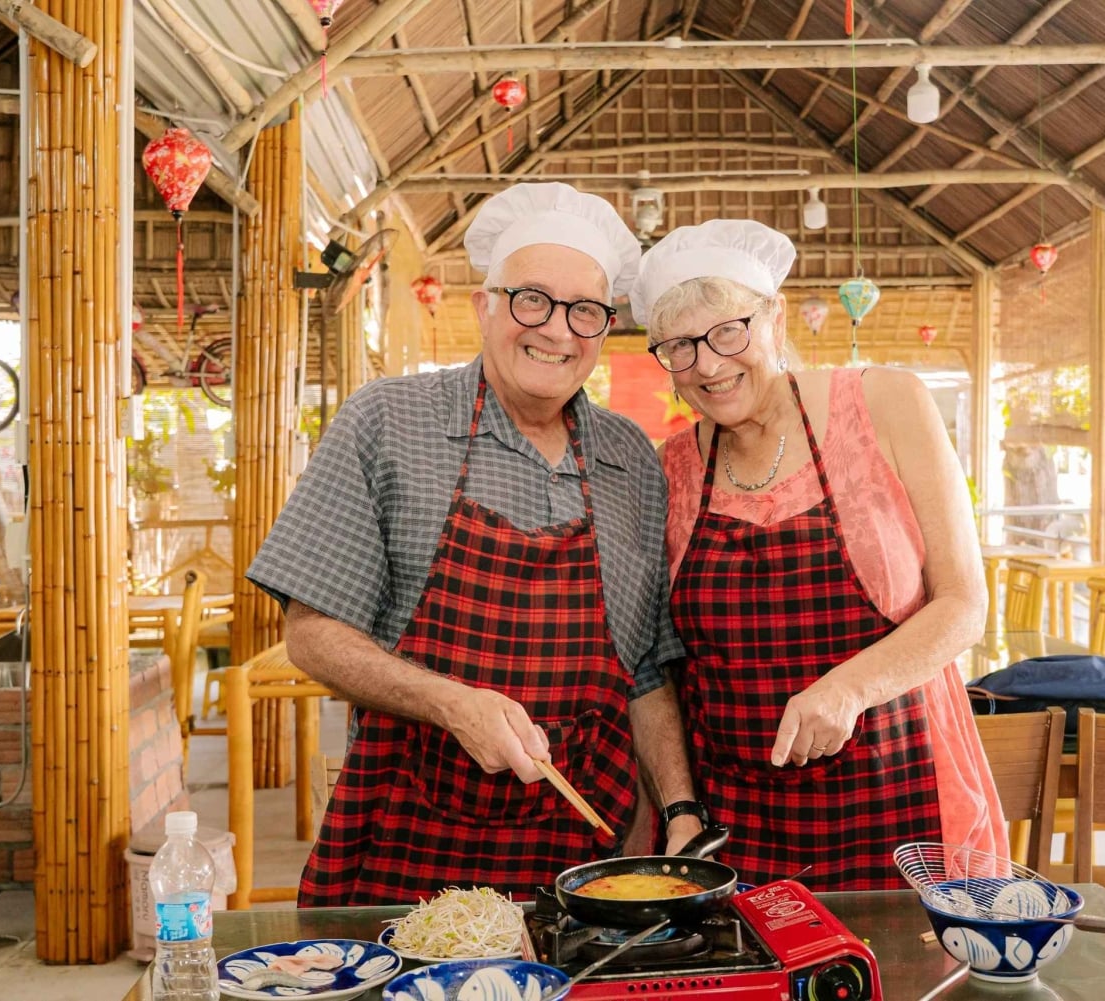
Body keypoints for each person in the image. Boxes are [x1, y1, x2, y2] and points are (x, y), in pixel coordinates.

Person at [247, 182, 704, 906]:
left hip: (585, 863)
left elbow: (643, 671)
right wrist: (451, 702)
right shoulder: (388, 422)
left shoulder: (631, 459)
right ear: (484, 306)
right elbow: (312, 634)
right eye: (532, 299)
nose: (557, 330)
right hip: (410, 850)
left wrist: (678, 808)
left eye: (585, 310)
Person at [631, 220, 1007, 890]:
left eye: (728, 331)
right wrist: (681, 810)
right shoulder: (673, 469)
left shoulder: (887, 404)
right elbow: (660, 665)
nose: (709, 365)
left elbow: (964, 605)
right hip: (735, 825)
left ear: (774, 319)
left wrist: (849, 687)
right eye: (681, 347)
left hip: (899, 799)